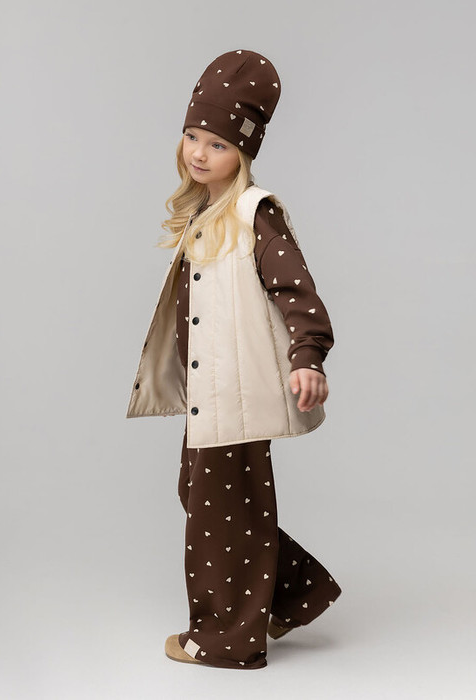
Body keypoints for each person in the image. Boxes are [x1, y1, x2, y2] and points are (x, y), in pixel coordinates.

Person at [126, 49, 342, 670]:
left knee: (221, 508)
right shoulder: (206, 210)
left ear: (243, 153)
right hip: (211, 390)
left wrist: (308, 356)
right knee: (206, 495)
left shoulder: (254, 214)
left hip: (237, 390)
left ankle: (227, 638)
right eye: (193, 135)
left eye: (218, 144)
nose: (199, 153)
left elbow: (297, 291)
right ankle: (292, 594)